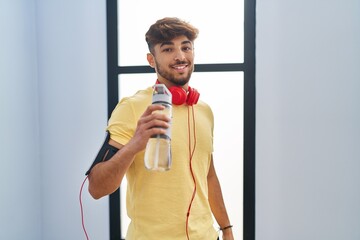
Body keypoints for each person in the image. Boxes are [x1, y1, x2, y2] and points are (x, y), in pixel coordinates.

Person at [87, 17, 234, 240]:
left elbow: (209, 175)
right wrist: (135, 143)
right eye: (168, 49)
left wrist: (226, 229)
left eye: (186, 47)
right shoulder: (132, 107)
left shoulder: (204, 110)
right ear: (151, 59)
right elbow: (96, 187)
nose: (180, 56)